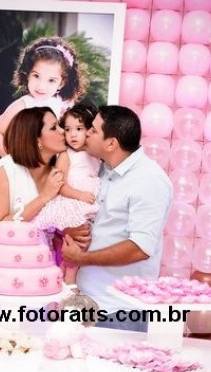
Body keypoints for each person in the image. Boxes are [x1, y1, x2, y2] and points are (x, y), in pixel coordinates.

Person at [61, 105, 173, 332]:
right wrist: (71, 230)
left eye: (93, 130)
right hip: (84, 301)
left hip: (119, 310)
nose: (86, 134)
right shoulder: (101, 168)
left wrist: (83, 258)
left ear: (111, 144)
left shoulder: (149, 180)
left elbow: (140, 248)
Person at [32, 103, 101, 285]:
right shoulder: (66, 154)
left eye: (79, 129)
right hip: (71, 203)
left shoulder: (94, 154)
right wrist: (79, 195)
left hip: (86, 205)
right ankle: (68, 285)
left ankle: (64, 284)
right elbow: (60, 185)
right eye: (68, 129)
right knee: (74, 247)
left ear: (89, 130)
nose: (73, 135)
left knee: (78, 247)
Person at [0, 106, 67, 248]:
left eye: (59, 125)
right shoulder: (8, 168)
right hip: (4, 258)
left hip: (44, 259)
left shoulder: (58, 171)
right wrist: (43, 197)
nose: (62, 131)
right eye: (53, 128)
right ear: (36, 140)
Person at [0, 37, 86, 158]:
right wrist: (13, 160)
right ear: (27, 74)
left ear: (61, 83)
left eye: (51, 80)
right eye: (36, 76)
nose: (41, 86)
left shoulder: (59, 104)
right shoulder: (23, 105)